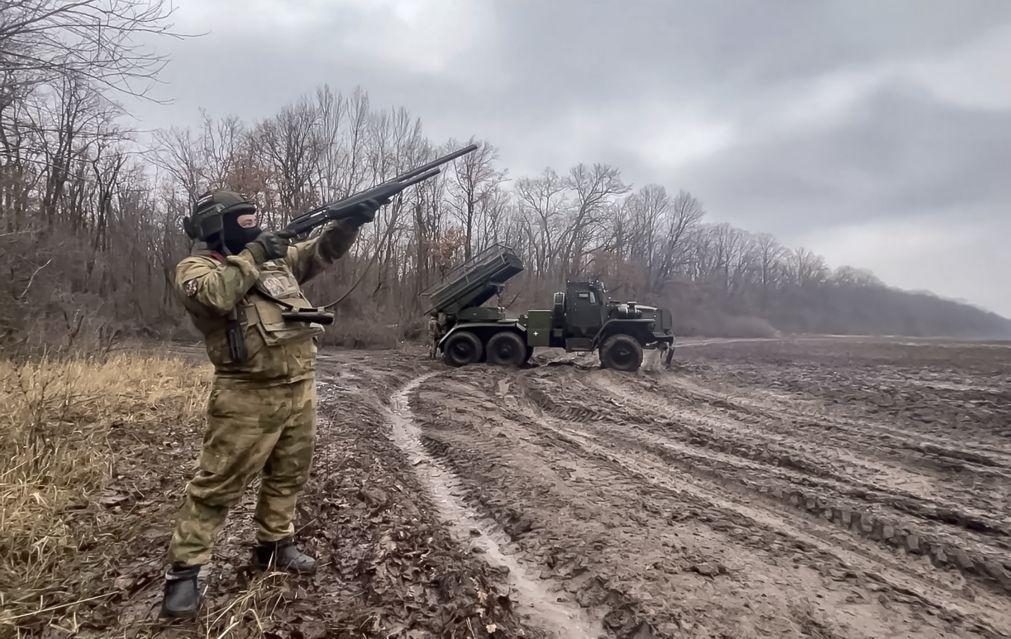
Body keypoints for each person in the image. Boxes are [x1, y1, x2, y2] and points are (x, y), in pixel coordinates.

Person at [160, 190, 380, 618]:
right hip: (245, 393)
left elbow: (319, 252)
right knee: (216, 485)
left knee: (289, 475)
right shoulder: (196, 269)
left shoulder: (277, 263)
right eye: (242, 219)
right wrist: (256, 253)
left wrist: (350, 222)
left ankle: (275, 544)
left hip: (299, 388)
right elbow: (215, 298)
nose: (253, 223)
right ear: (215, 226)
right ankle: (185, 572)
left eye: (254, 217)